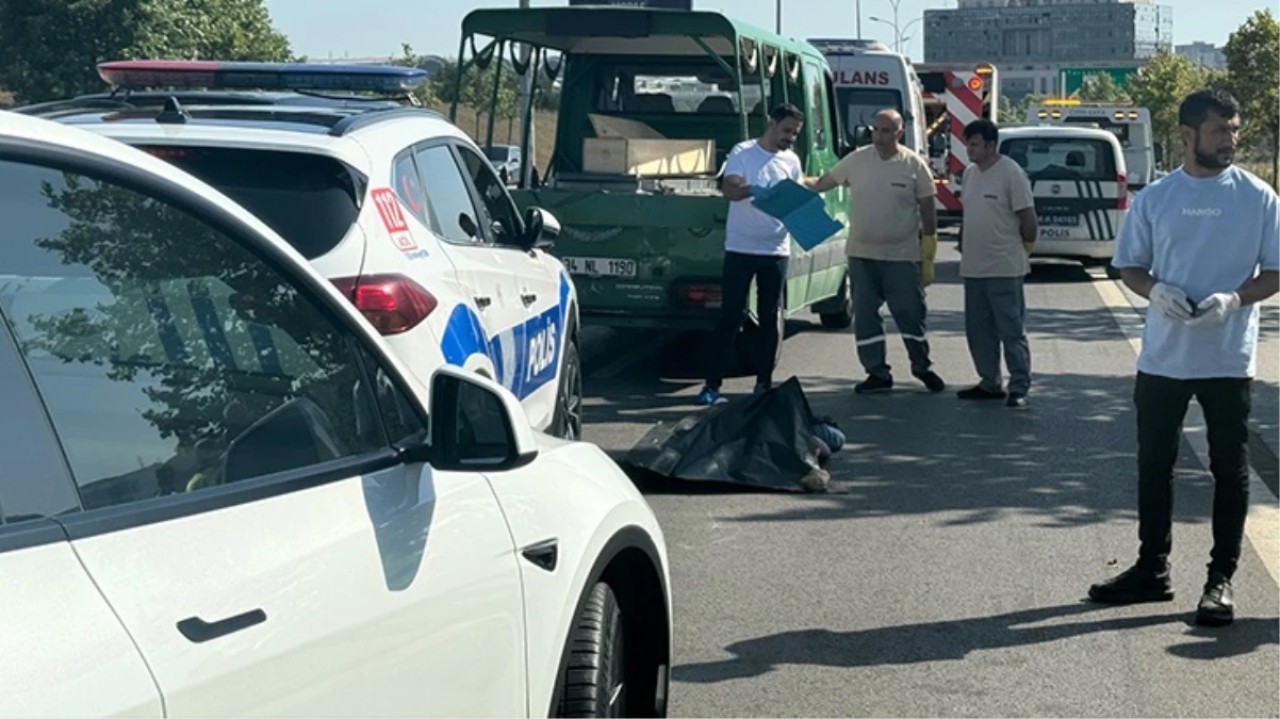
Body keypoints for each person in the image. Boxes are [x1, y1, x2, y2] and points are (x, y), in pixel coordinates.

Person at [1088, 89, 1279, 627]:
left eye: (1235, 130)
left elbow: (1276, 270)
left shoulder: (1258, 197)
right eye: (1221, 130)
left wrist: (1234, 298)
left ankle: (1221, 580)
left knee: (1229, 470)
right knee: (1154, 466)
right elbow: (1128, 265)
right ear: (1188, 135)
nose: (1232, 139)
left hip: (1226, 356)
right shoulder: (1156, 199)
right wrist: (1156, 291)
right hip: (1165, 358)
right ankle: (1153, 570)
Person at [807, 108, 945, 394]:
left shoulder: (913, 165)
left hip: (901, 256)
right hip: (862, 256)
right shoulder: (857, 160)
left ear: (899, 133)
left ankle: (922, 366)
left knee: (910, 313)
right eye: (876, 130)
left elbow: (928, 210)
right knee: (866, 316)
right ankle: (877, 373)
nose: (879, 136)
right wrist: (790, 181)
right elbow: (822, 184)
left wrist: (928, 249)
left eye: (886, 131)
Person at [697, 103, 805, 406]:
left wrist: (807, 219)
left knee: (770, 318)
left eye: (794, 134)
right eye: (786, 131)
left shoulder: (792, 161)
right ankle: (711, 385)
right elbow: (730, 189)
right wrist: (752, 190)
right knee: (731, 316)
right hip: (741, 248)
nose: (789, 138)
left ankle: (763, 383)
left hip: (776, 249)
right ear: (771, 124)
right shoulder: (743, 153)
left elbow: (794, 200)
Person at [955, 119, 1037, 409]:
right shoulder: (970, 174)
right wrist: (963, 244)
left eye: (975, 144)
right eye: (968, 144)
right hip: (975, 267)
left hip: (1004, 267)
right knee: (978, 330)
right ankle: (989, 382)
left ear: (991, 145)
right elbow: (969, 213)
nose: (970, 150)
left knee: (1011, 329)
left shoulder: (1010, 173)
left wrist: (1026, 246)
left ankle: (1019, 387)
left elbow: (1028, 217)